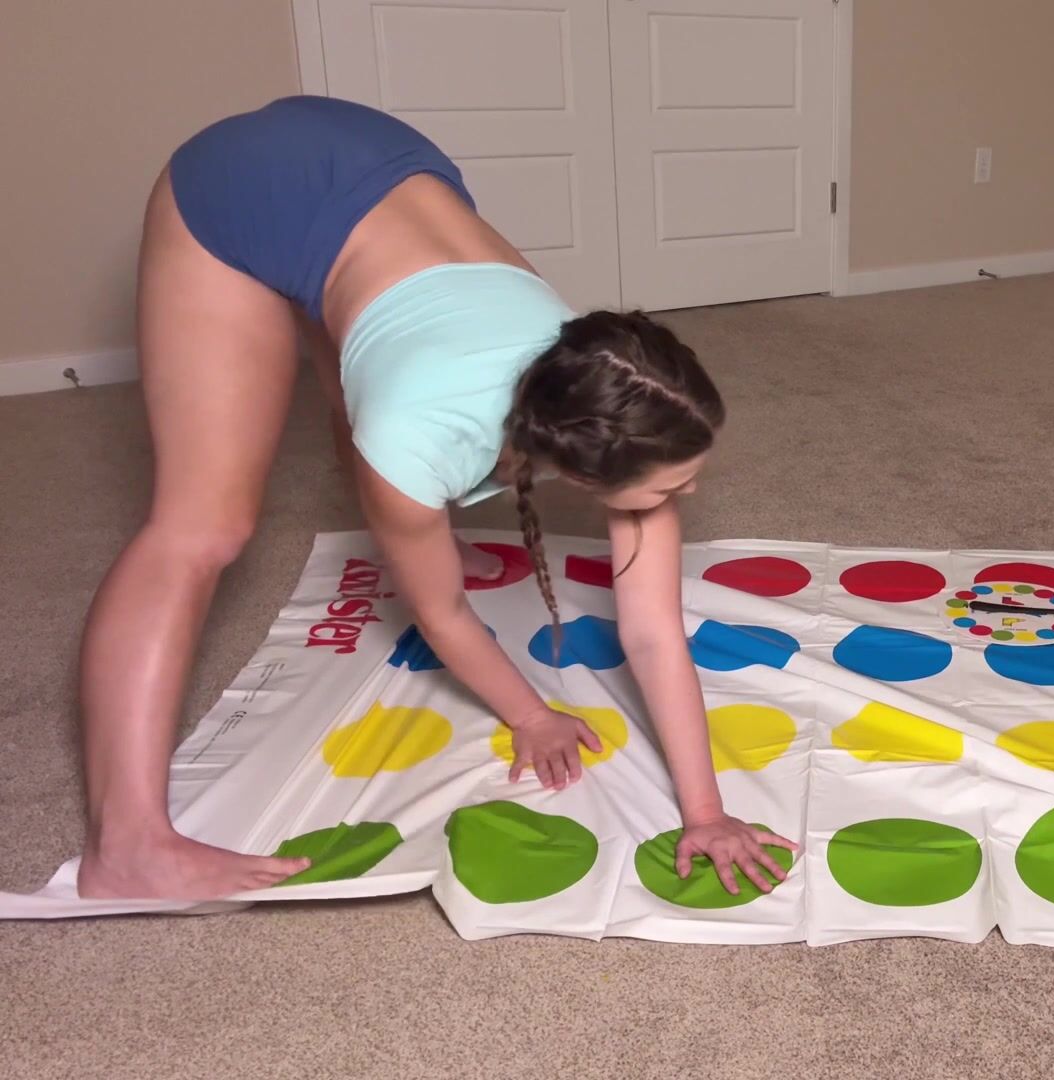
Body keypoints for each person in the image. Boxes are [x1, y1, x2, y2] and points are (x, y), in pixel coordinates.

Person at [77, 96, 793, 901]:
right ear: (585, 475)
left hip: (383, 155)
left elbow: (654, 633)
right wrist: (531, 715)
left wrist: (706, 813)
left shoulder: (600, 387)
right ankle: (126, 845)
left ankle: (416, 521)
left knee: (364, 372)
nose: (689, 493)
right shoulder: (415, 435)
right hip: (242, 182)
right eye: (671, 486)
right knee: (203, 527)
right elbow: (443, 615)